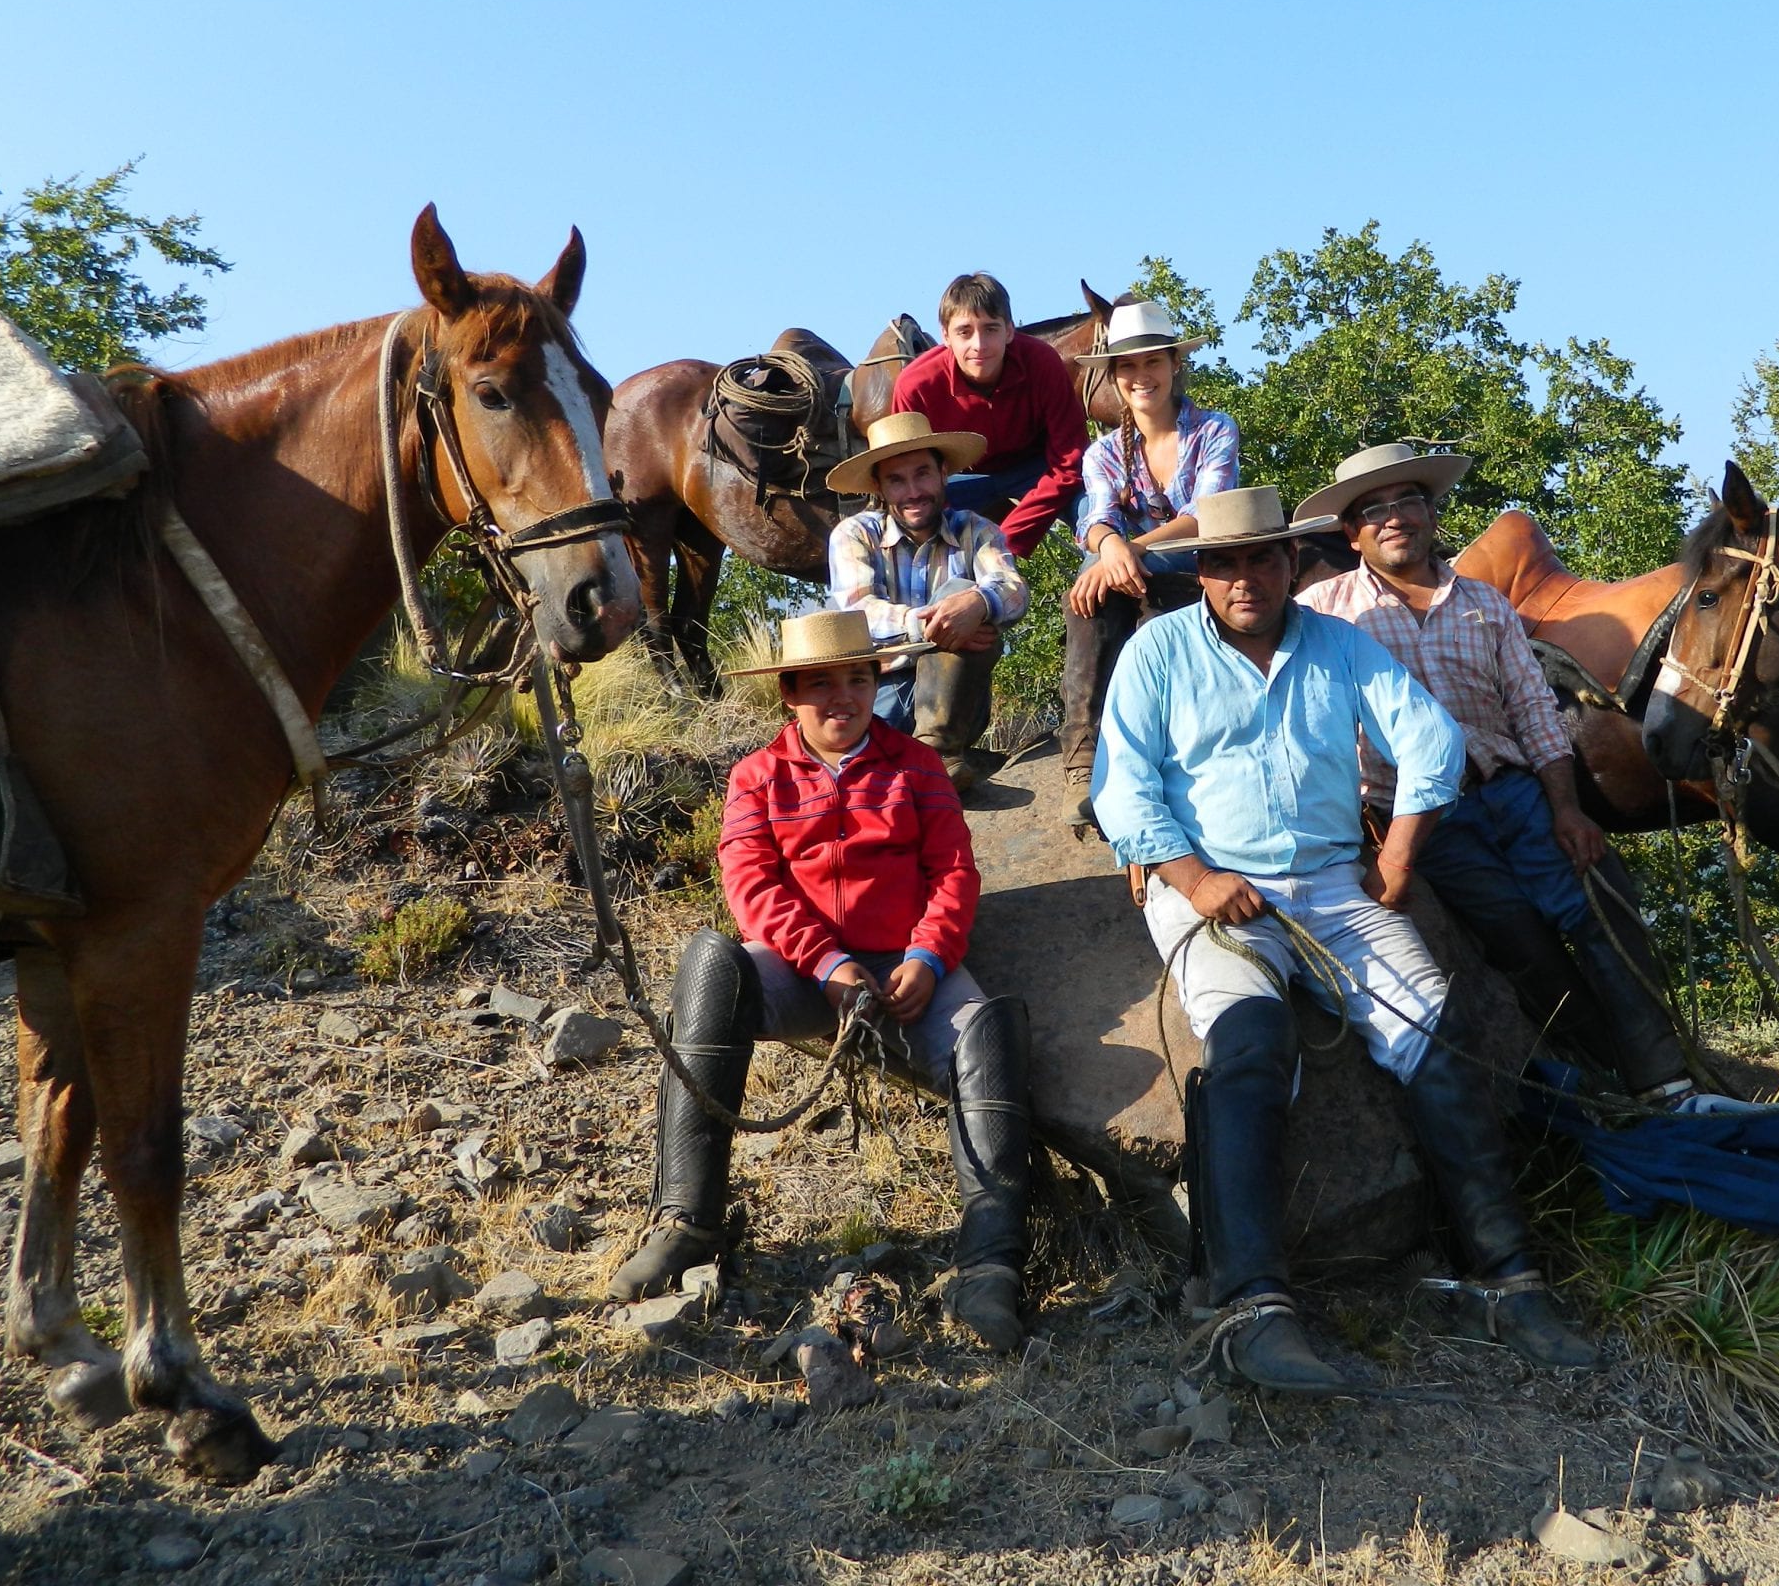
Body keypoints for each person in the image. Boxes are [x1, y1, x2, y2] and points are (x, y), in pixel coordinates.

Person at [1092, 485, 1597, 1393]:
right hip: (1208, 885)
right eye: (1224, 561)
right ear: (1201, 571)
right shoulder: (1157, 651)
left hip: (1331, 882)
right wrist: (1198, 880)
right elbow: (1123, 791)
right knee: (1250, 1045)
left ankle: (1507, 1278)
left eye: (1261, 558)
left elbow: (1432, 742)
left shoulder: (1339, 645)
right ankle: (1251, 1304)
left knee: (1437, 1040)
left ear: (1292, 563)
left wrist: (1400, 855)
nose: (1244, 577)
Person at [607, 610, 1035, 1352]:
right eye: (821, 683)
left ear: (876, 683)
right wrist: (829, 964)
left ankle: (992, 1264)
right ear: (788, 695)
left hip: (907, 972)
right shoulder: (757, 776)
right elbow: (751, 885)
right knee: (710, 962)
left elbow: (954, 874)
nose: (843, 697)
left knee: (987, 1025)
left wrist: (929, 958)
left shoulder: (917, 767)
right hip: (802, 973)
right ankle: (688, 1222)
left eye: (858, 679)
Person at [1294, 442, 1694, 1103]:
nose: (1395, 518)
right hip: (1419, 819)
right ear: (1351, 531)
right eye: (1375, 509)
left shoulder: (1483, 603)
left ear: (1430, 512)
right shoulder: (1324, 612)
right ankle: (1609, 1083)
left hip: (1512, 791)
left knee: (1600, 901)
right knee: (1517, 942)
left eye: (1408, 502)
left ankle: (1666, 1079)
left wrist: (1567, 808)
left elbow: (1534, 711)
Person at [1060, 293, 1239, 821]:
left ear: (1175, 364)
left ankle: (1168, 760)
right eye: (1128, 365)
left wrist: (1129, 549)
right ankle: (1082, 758)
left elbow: (1207, 515)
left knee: (1145, 608)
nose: (1141, 375)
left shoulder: (1214, 430)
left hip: (1199, 570)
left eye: (1152, 361)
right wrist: (1110, 549)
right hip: (1127, 573)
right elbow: (1094, 517)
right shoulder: (1104, 451)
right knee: (1085, 598)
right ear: (1114, 375)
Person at [825, 410, 1030, 791]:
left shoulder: (976, 530)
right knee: (955, 604)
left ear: (943, 475)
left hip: (959, 702)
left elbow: (1013, 587)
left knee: (964, 595)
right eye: (896, 480)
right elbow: (858, 612)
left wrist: (979, 604)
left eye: (922, 473)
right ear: (880, 488)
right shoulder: (854, 535)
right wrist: (931, 625)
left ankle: (936, 753)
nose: (913, 491)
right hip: (881, 690)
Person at [888, 272, 1087, 559]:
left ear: (1009, 331)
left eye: (990, 329)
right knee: (912, 513)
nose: (979, 345)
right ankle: (927, 595)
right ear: (945, 335)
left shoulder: (1043, 363)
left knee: (1091, 503)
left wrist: (1005, 543)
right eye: (964, 332)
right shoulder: (915, 385)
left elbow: (1070, 462)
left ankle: (1107, 588)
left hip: (1037, 467)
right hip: (959, 479)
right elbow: (912, 477)